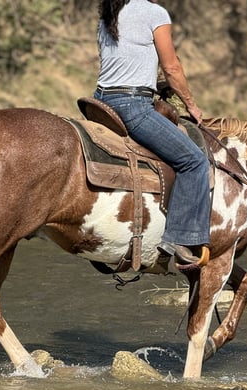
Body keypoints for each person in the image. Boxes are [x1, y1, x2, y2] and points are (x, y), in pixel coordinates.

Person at [94, 0, 211, 269]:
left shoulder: (109, 12)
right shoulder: (154, 13)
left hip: (101, 101)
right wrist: (191, 105)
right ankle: (180, 238)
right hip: (132, 106)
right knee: (194, 161)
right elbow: (172, 68)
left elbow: (121, 64)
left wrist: (150, 84)